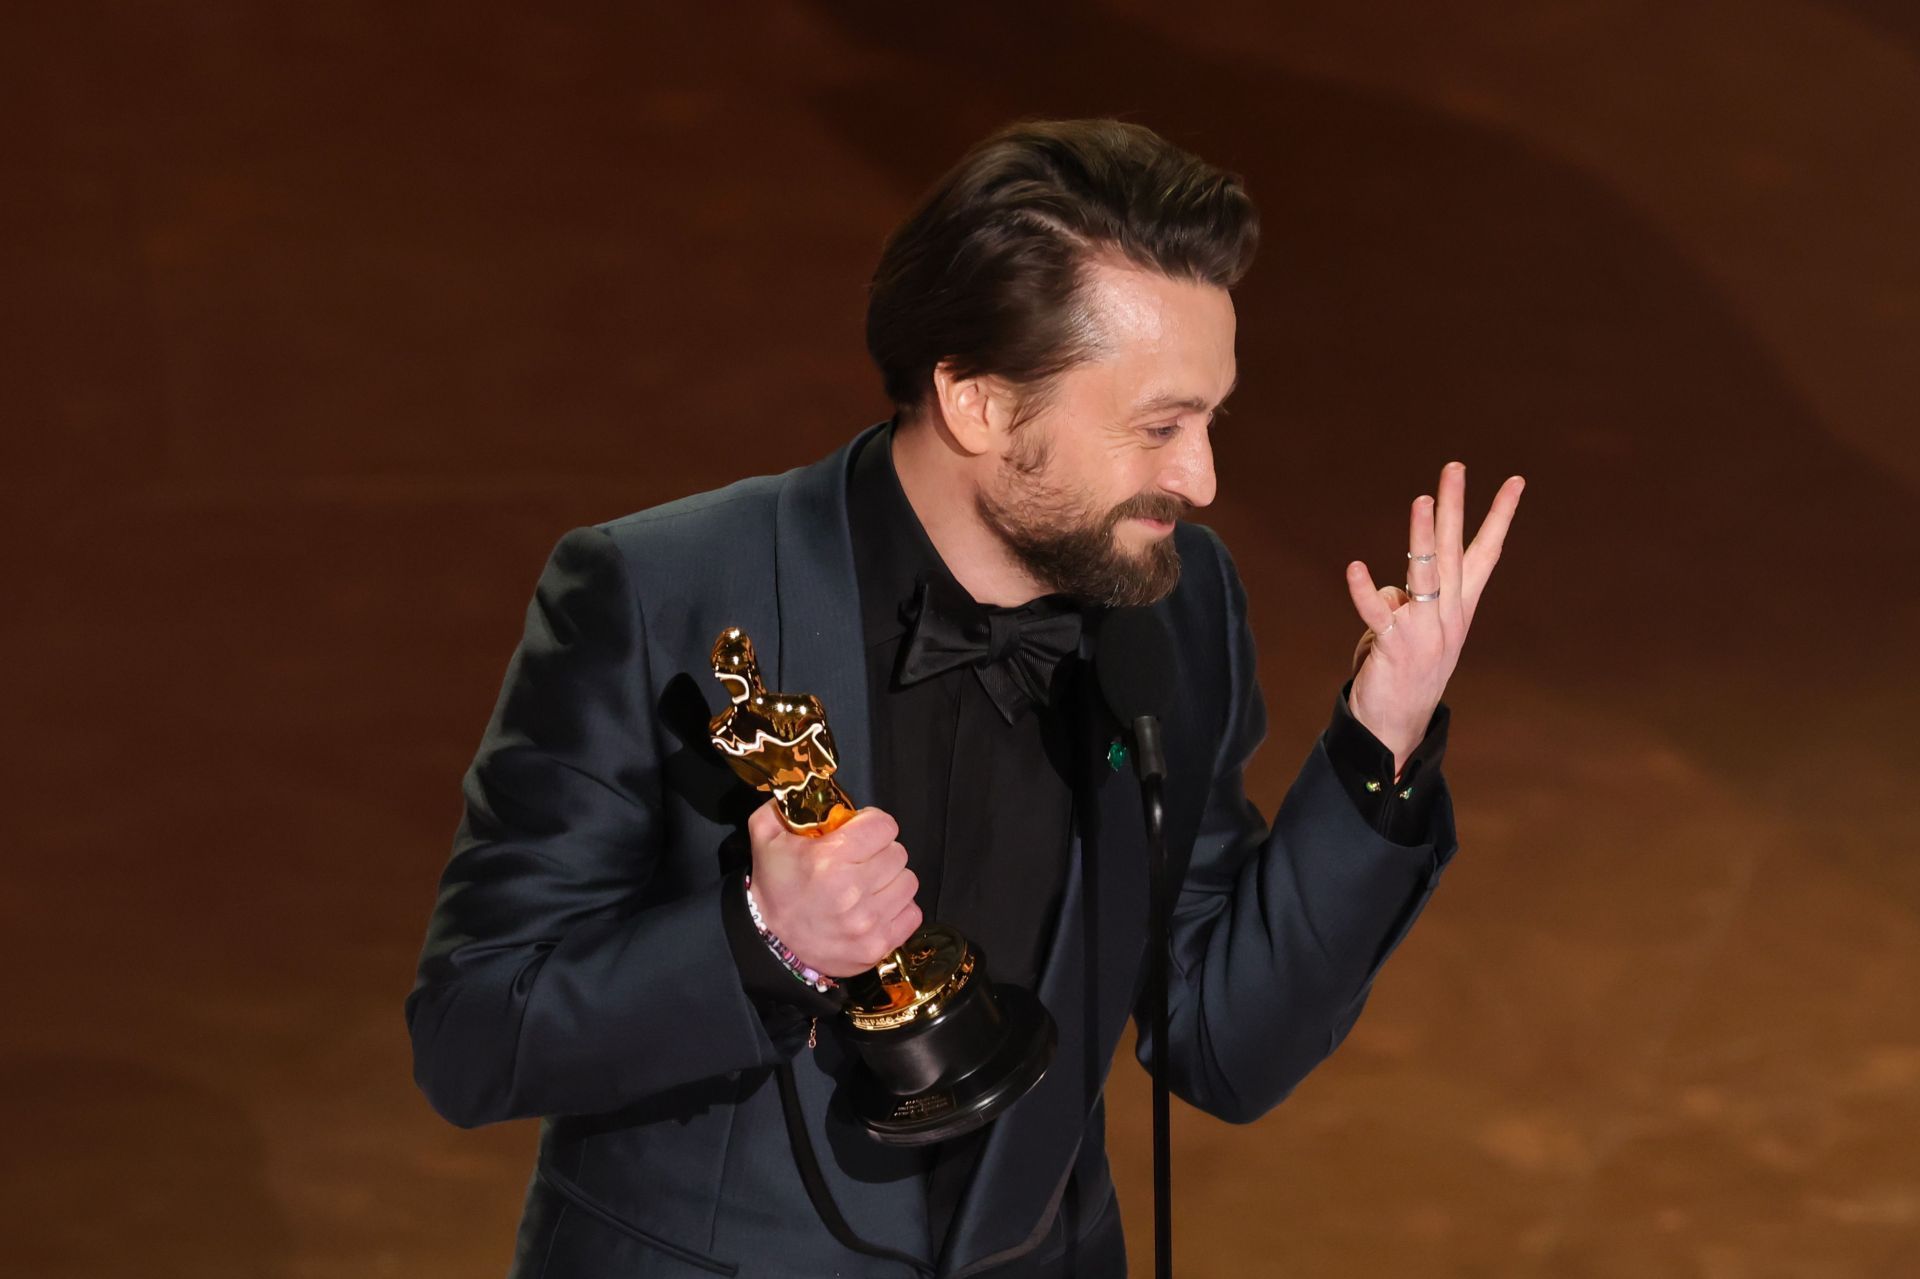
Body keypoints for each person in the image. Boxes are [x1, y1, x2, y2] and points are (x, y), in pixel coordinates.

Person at [406, 117, 1524, 1278]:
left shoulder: (1177, 610)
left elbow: (1224, 1043)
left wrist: (1380, 737)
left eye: (1209, 420)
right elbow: (473, 1033)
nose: (1201, 478)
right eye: (1159, 427)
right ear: (978, 404)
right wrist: (764, 940)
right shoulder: (659, 594)